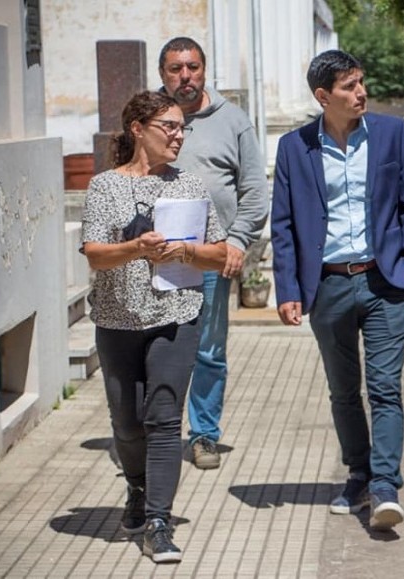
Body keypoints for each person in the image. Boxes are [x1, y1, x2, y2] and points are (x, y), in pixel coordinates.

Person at [271, 50, 404, 530]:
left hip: (386, 281)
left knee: (384, 387)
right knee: (343, 391)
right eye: (348, 86)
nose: (360, 92)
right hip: (329, 284)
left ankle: (385, 485)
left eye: (361, 82)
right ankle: (358, 473)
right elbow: (283, 223)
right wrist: (288, 288)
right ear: (323, 96)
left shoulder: (391, 134)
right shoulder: (294, 148)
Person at [81, 90, 227, 563]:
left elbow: (220, 253)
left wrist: (185, 252)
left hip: (176, 315)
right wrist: (138, 249)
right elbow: (95, 254)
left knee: (163, 420)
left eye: (183, 128)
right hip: (117, 319)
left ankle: (159, 523)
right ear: (138, 129)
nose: (179, 135)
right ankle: (138, 489)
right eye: (170, 127)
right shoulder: (105, 186)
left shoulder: (191, 186)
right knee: (127, 423)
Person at [158, 37, 269, 470]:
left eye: (192, 67)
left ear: (205, 70)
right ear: (163, 74)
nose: (184, 76)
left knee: (207, 350)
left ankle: (203, 435)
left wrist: (237, 241)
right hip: (157, 256)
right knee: (158, 346)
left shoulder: (234, 121)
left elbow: (255, 193)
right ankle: (160, 432)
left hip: (210, 257)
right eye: (174, 69)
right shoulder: (152, 118)